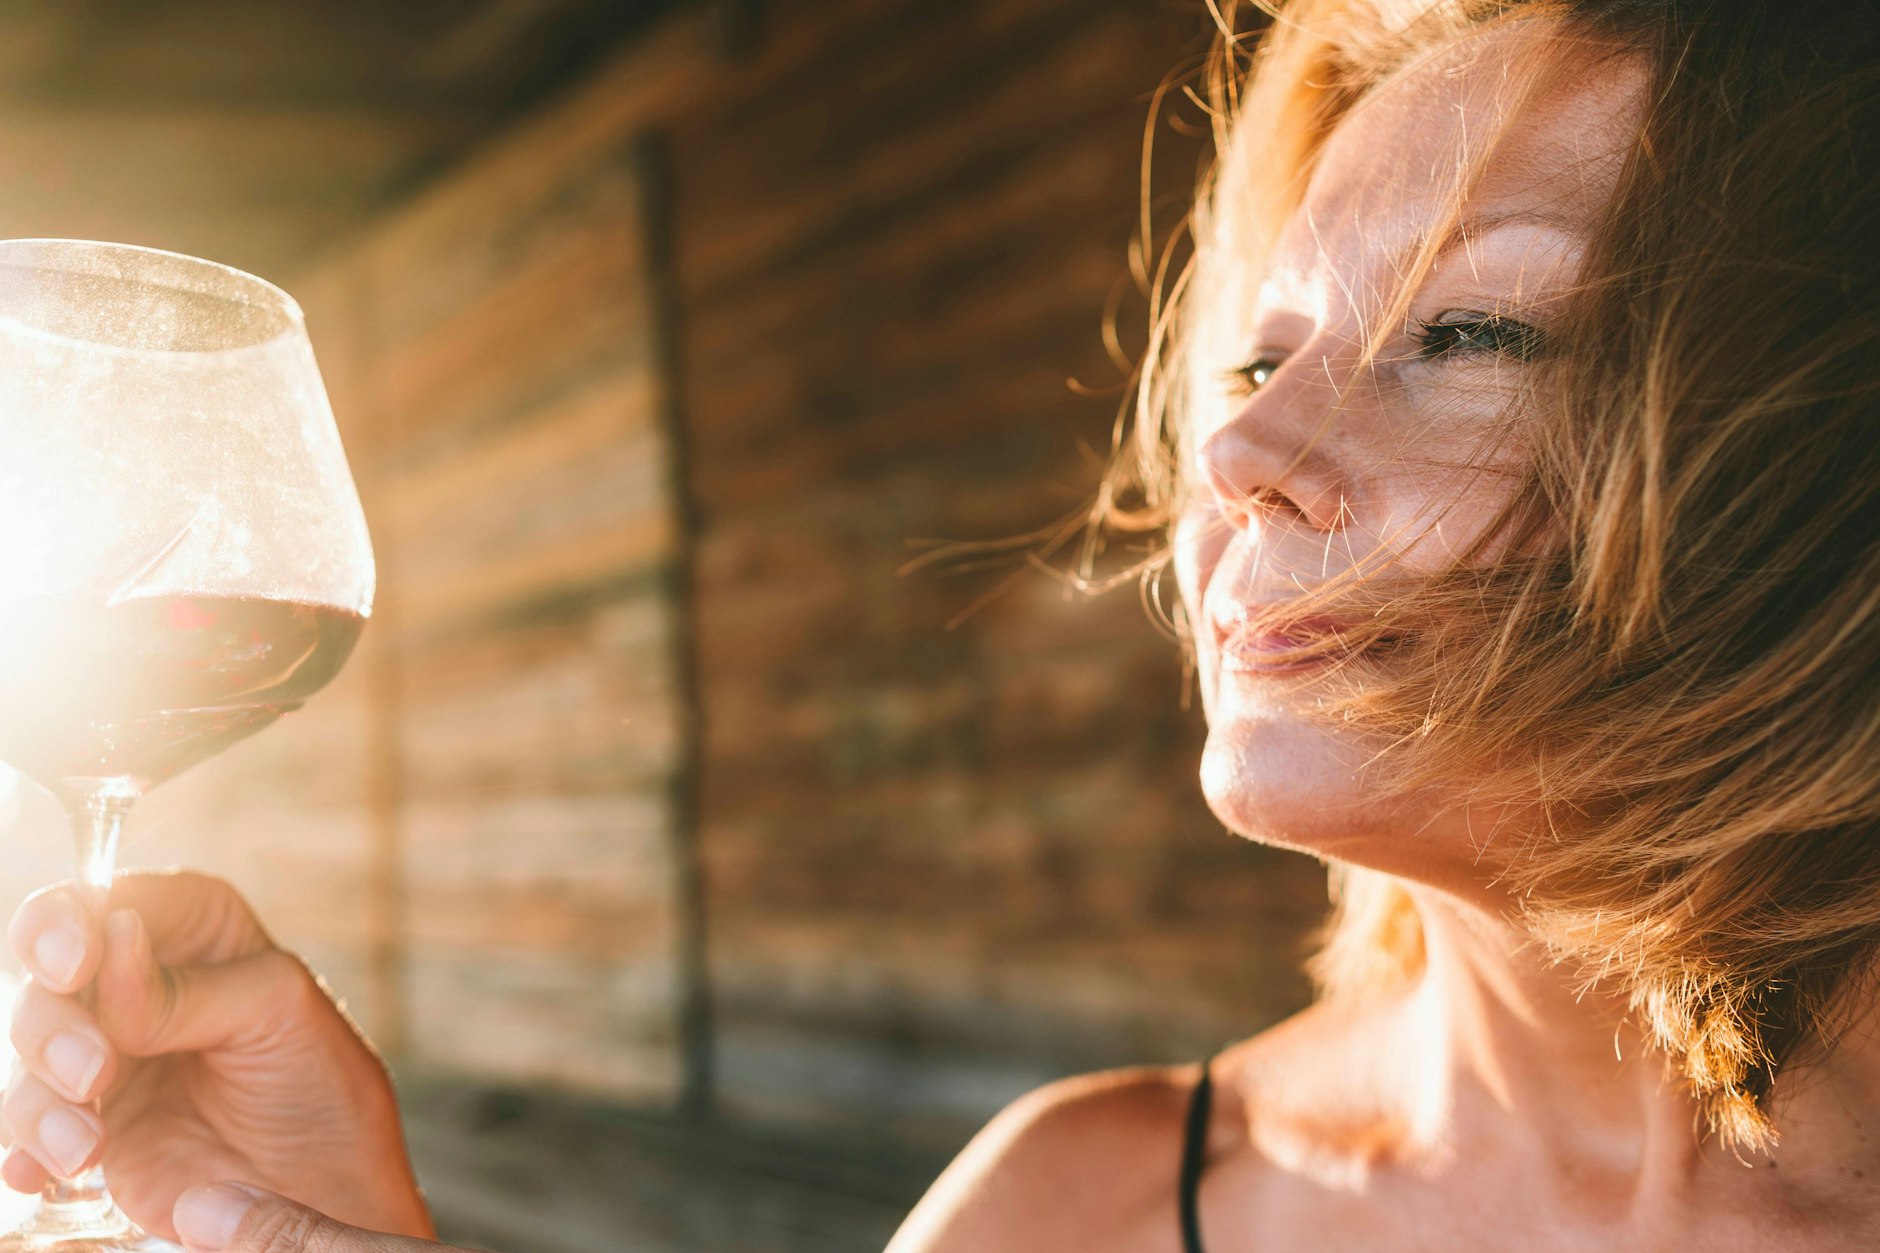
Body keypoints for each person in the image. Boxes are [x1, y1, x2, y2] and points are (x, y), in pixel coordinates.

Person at [7, 0, 1879, 1249]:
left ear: (1808, 448)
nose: (1236, 450)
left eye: (1469, 333)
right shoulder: (1074, 1211)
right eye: (1263, 351)